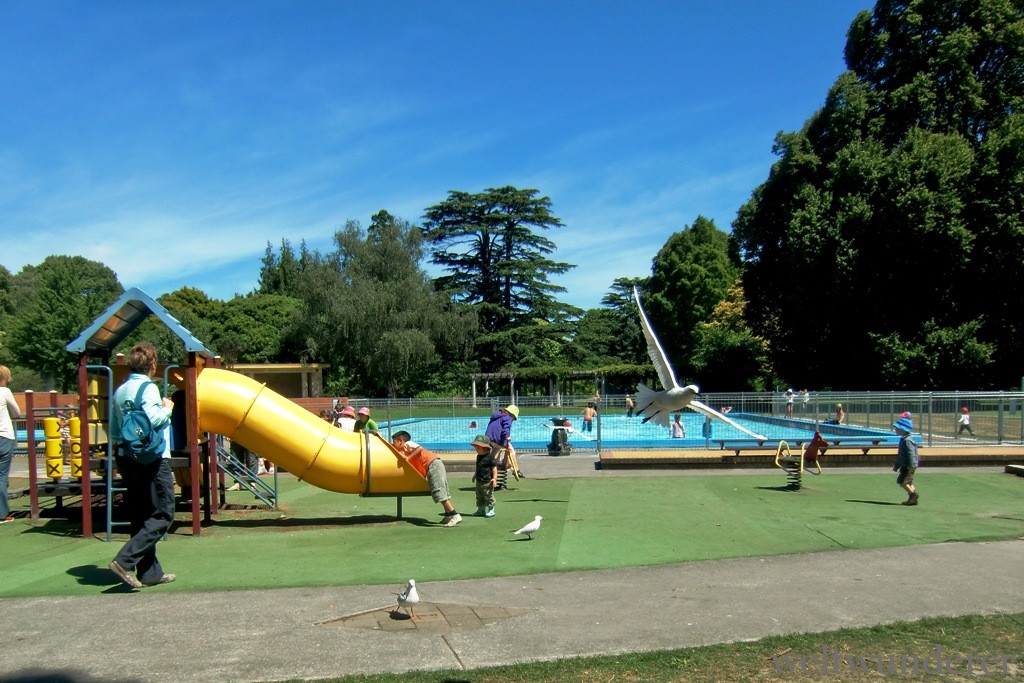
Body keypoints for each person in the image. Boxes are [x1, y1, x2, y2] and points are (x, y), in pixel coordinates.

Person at [108, 343, 177, 588]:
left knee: (141, 514)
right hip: (152, 458)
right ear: (153, 365)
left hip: (126, 456)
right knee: (164, 512)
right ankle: (124, 561)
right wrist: (167, 408)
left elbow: (115, 429)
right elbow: (155, 418)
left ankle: (149, 573)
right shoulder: (148, 388)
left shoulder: (121, 389)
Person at [390, 430, 461, 526]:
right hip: (434, 464)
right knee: (442, 489)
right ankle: (448, 515)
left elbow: (419, 449)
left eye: (394, 442)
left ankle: (454, 515)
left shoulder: (408, 444)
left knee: (438, 490)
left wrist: (408, 458)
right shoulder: (407, 451)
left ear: (401, 440)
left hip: (432, 464)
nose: (393, 444)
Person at [0, 365, 23, 524]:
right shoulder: (5, 391)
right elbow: (17, 413)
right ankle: (2, 513)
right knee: (1, 476)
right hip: (3, 436)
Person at [486, 404, 518, 491]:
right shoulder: (507, 417)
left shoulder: (497, 415)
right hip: (498, 438)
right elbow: (506, 427)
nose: (513, 420)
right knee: (511, 450)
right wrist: (507, 436)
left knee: (494, 452)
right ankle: (514, 468)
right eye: (514, 418)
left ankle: (492, 464)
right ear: (512, 414)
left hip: (489, 437)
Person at [892, 415, 919, 506]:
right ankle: (913, 496)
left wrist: (911, 465)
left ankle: (913, 495)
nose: (895, 430)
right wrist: (897, 465)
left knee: (902, 481)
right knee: (908, 481)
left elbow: (911, 454)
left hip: (908, 465)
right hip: (905, 465)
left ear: (902, 429)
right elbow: (901, 455)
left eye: (897, 429)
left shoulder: (907, 440)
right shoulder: (903, 439)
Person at [470, 433, 497, 518]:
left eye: (478, 447)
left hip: (487, 481)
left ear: (485, 448)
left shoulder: (490, 457)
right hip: (479, 480)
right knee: (479, 495)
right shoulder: (478, 456)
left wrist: (494, 478)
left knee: (488, 495)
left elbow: (494, 468)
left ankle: (491, 509)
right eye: (476, 447)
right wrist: (475, 475)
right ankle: (481, 509)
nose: (476, 449)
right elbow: (478, 466)